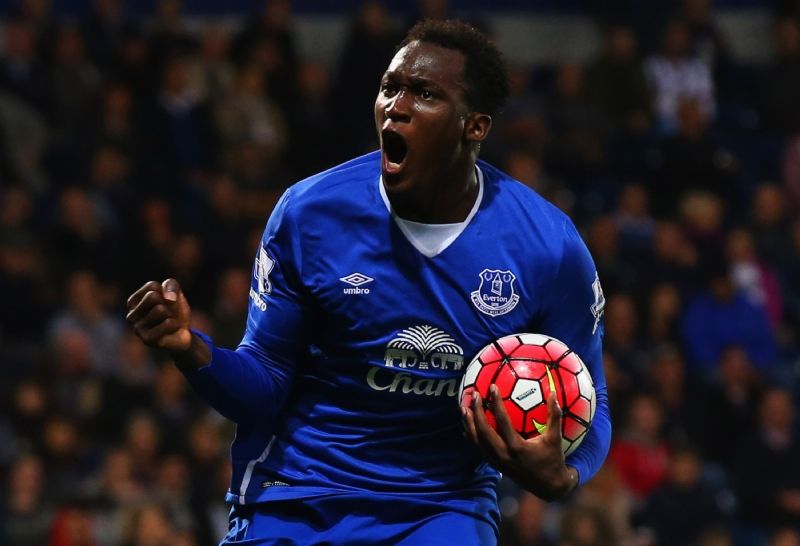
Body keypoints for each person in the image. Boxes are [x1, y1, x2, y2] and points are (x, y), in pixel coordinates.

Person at [126, 19, 611, 545]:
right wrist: (188, 347)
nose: (396, 106)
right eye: (389, 87)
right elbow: (262, 386)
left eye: (425, 94)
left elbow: (592, 400)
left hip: (441, 508)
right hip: (297, 495)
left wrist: (564, 477)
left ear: (474, 126)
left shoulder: (547, 246)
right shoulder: (310, 214)